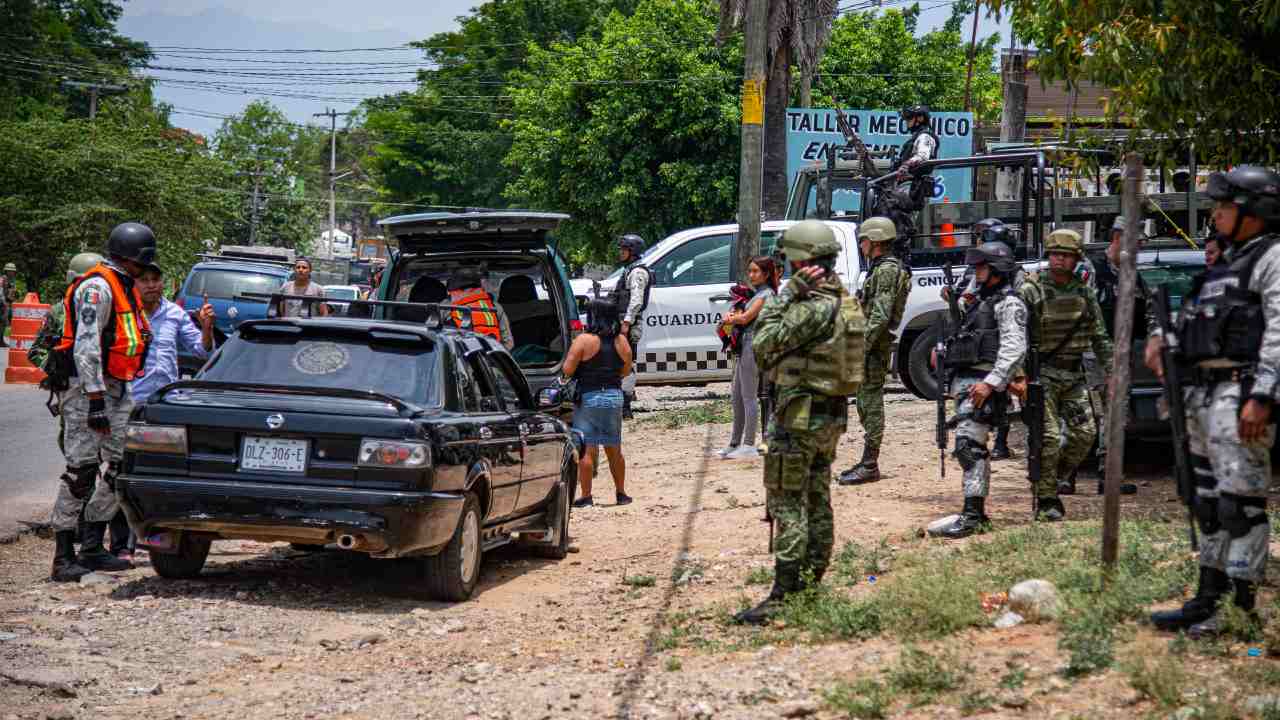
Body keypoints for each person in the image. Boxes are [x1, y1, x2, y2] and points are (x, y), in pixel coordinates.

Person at [1147, 166, 1280, 637]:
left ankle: (1241, 609)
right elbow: (1192, 317)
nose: (1217, 214)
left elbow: (1279, 334)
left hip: (1240, 394)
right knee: (1206, 502)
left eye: (1225, 206)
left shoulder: (1272, 258)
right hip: (1201, 396)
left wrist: (1264, 394)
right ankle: (1208, 599)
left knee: (1239, 505)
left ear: (1254, 211)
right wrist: (1162, 339)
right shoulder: (1226, 262)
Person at [735, 220, 865, 625]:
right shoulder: (845, 300)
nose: (785, 267)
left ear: (803, 261)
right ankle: (811, 583)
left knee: (789, 500)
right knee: (817, 497)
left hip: (800, 416)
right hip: (829, 414)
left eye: (789, 261)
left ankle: (786, 592)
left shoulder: (811, 305)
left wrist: (784, 294)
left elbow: (763, 341)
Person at [47, 222, 155, 582]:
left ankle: (92, 545)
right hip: (88, 390)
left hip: (117, 389)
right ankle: (63, 556)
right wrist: (94, 400)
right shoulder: (96, 288)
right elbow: (87, 347)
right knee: (81, 472)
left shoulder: (123, 285)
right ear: (134, 257)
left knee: (122, 466)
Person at [926, 240, 1027, 538]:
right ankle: (973, 512)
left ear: (997, 269)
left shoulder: (1009, 304)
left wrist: (991, 383)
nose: (976, 271)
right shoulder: (977, 300)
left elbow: (1013, 349)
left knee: (969, 448)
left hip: (983, 385)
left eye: (982, 266)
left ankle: (974, 515)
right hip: (966, 383)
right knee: (968, 447)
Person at [1016, 229, 1114, 521]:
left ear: (1076, 260)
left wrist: (1113, 372)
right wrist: (1018, 375)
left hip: (1074, 375)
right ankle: (1048, 500)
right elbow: (1015, 336)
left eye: (1066, 255)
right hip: (1042, 375)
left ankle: (1050, 477)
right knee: (1047, 436)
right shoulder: (1031, 290)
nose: (1059, 260)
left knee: (1085, 435)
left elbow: (1099, 335)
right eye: (1055, 254)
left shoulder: (1084, 292)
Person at [839, 217, 911, 484]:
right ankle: (867, 461)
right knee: (864, 401)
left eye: (863, 239)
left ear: (876, 241)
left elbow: (879, 316)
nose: (861, 244)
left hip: (874, 347)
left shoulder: (887, 271)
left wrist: (862, 346)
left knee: (870, 403)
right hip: (871, 345)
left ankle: (870, 464)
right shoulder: (879, 269)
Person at [562, 298, 633, 507]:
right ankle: (621, 494)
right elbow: (626, 370)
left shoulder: (584, 340)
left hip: (589, 397)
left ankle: (586, 496)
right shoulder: (622, 341)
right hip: (614, 396)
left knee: (587, 448)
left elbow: (567, 369)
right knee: (614, 448)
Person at [718, 256, 779, 460]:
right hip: (745, 344)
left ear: (767, 274)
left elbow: (745, 318)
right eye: (750, 271)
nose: (751, 275)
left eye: (755, 271)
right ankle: (734, 442)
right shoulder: (756, 294)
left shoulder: (766, 294)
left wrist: (730, 318)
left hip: (754, 345)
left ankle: (748, 444)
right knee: (736, 396)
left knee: (749, 397)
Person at [616, 234, 653, 419]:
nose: (620, 253)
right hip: (625, 322)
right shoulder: (629, 270)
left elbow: (636, 300)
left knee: (627, 363)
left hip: (630, 324)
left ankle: (625, 406)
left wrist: (627, 322)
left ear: (632, 252)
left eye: (624, 249)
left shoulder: (638, 272)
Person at [447, 268, 513, 349]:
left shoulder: (446, 306)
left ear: (452, 287)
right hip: (490, 356)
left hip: (460, 358)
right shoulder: (494, 306)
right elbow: (509, 343)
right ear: (479, 285)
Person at [893, 105, 939, 178]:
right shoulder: (917, 136)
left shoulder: (925, 136)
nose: (906, 121)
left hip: (914, 183)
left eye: (909, 118)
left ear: (920, 119)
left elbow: (923, 156)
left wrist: (907, 164)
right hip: (908, 180)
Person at [0, 262, 16, 347]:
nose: (12, 273)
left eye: (13, 271)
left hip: (7, 303)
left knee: (4, 323)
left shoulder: (12, 280)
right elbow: (1, 292)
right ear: (6, 271)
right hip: (2, 303)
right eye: (10, 271)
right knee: (2, 322)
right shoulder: (3, 279)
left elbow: (11, 293)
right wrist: (3, 302)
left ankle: (1, 340)